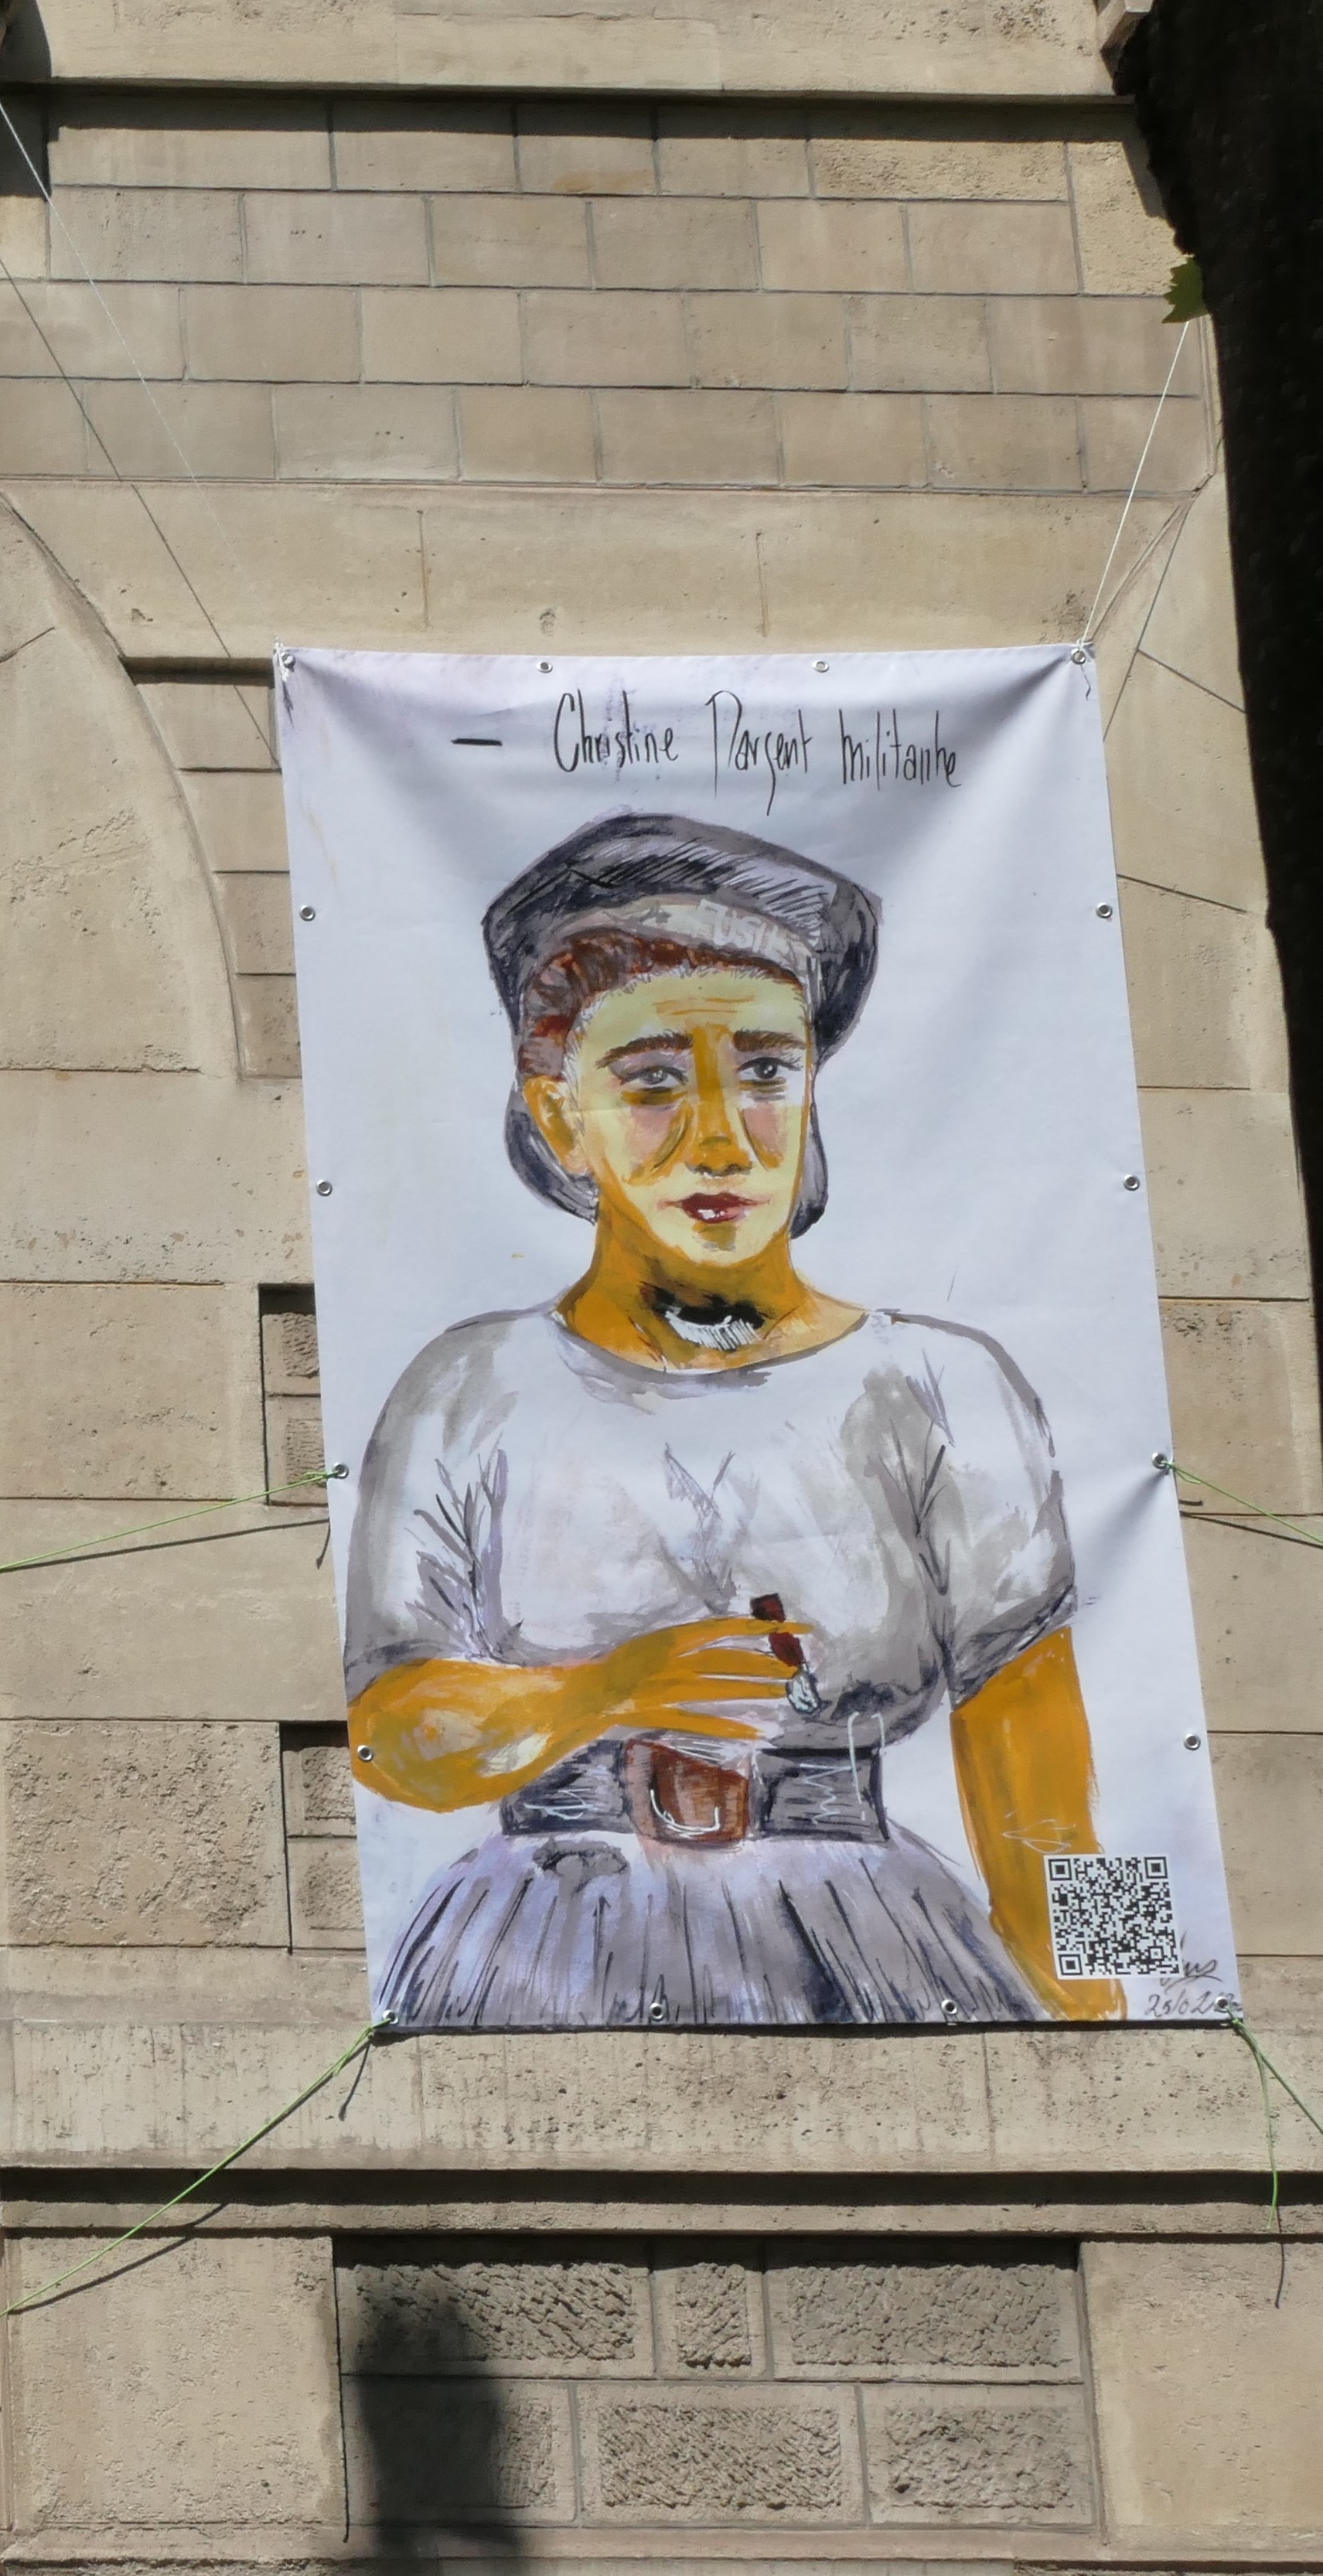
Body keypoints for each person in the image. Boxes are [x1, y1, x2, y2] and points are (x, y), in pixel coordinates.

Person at [344, 812, 1120, 2028]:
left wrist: (1117, 2028)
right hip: (549, 1942)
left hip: (871, 1942)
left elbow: (1050, 1784)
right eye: (652, 1083)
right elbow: (392, 1739)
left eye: (765, 1071)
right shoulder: (467, 1384)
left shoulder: (943, 1385)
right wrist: (602, 1693)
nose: (720, 1135)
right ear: (560, 1118)